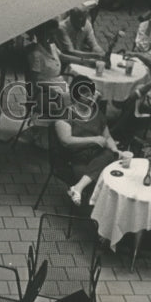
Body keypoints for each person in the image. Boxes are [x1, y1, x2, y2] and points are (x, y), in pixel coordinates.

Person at [53, 77, 120, 206]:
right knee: (104, 177)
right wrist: (94, 139)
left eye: (92, 94)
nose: (91, 98)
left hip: (97, 157)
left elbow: (108, 137)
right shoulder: (65, 114)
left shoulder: (96, 113)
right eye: (86, 94)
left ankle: (78, 188)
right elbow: (66, 141)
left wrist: (116, 150)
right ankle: (94, 216)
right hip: (77, 159)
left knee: (110, 155)